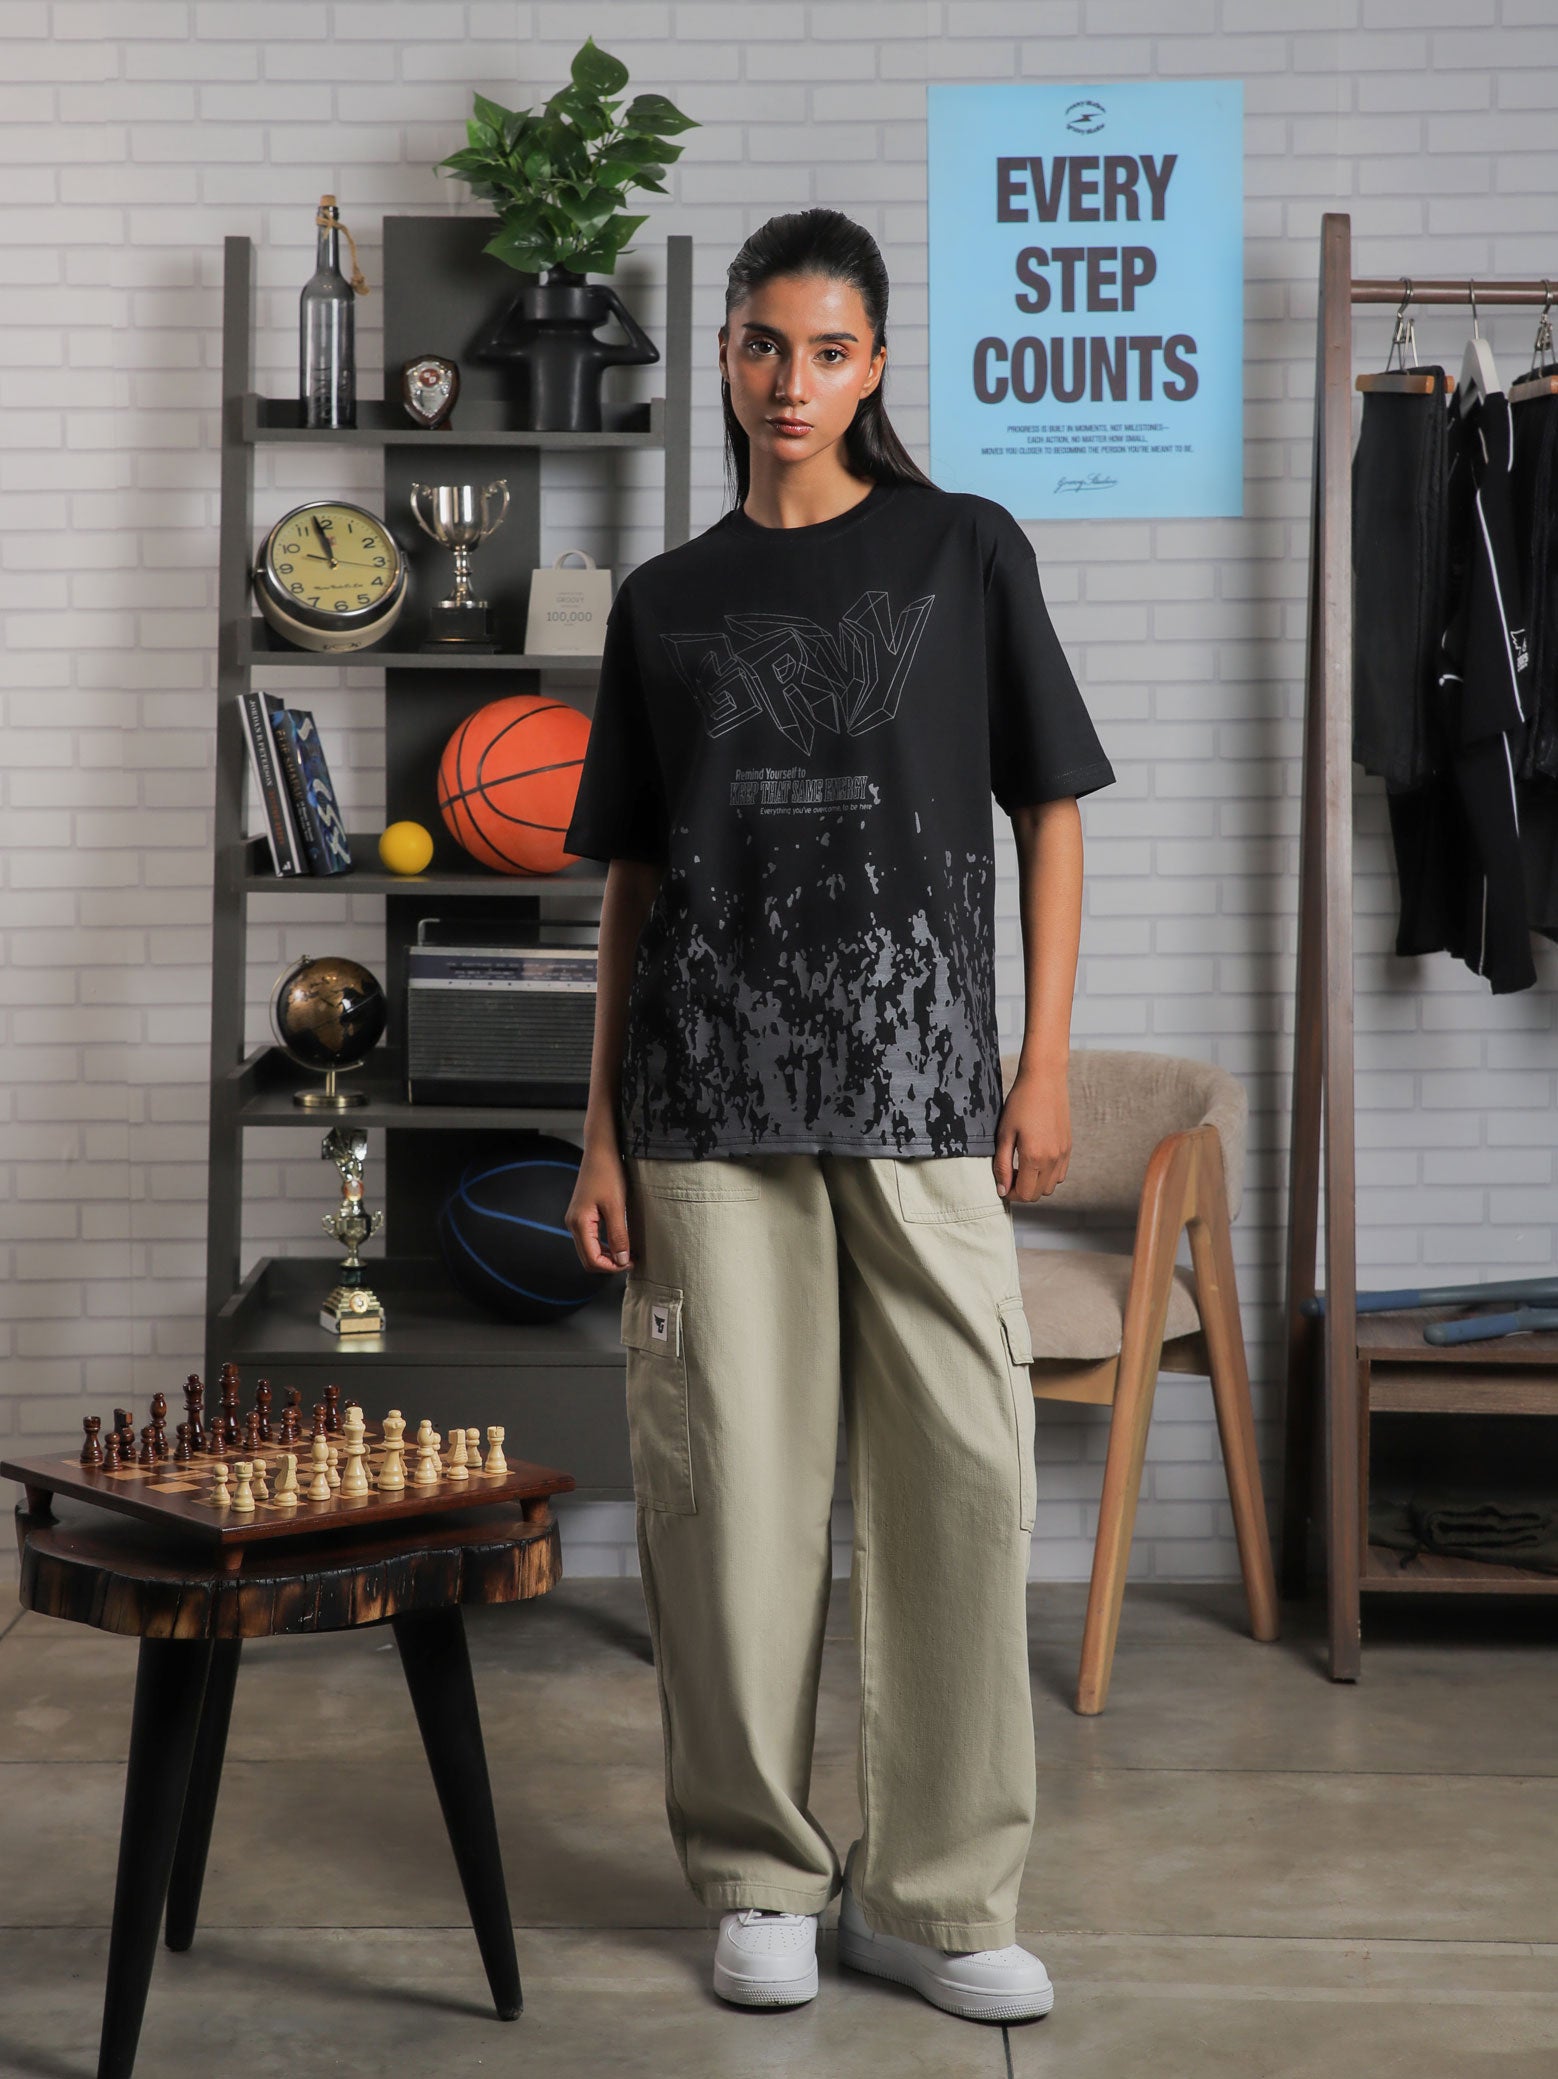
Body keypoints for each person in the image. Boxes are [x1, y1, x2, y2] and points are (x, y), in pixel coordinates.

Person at [563, 207, 1115, 2025]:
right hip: (706, 1098)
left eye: (823, 349)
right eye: (757, 345)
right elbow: (631, 882)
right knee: (727, 1496)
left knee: (962, 1482)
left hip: (924, 1083)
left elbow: (1049, 807)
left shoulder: (961, 551)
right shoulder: (665, 602)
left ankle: (944, 1899)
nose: (786, 381)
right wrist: (598, 1131)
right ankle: (759, 1881)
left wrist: (1038, 1060)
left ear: (875, 366)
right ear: (722, 359)